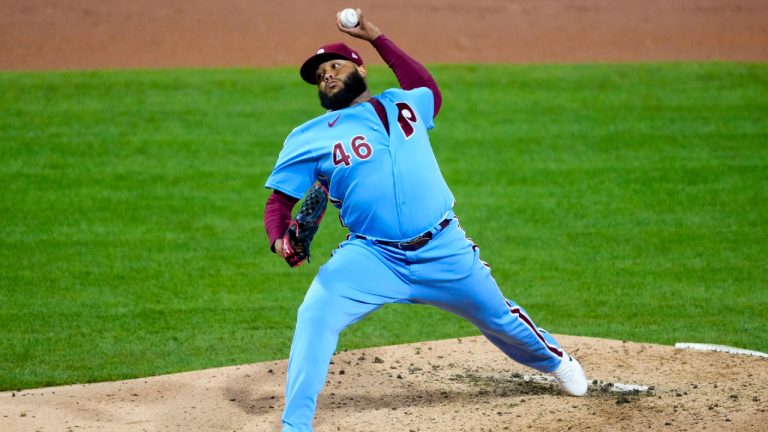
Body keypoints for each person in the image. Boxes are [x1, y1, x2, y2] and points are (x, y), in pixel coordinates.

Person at [263, 9, 589, 432]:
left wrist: (376, 37)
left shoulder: (406, 103)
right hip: (371, 256)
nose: (326, 75)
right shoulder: (308, 135)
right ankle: (296, 424)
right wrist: (277, 240)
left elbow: (428, 87)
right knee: (315, 314)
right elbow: (279, 204)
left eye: (335, 65)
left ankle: (555, 361)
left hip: (442, 249)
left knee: (500, 320)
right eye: (320, 74)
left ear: (359, 67)